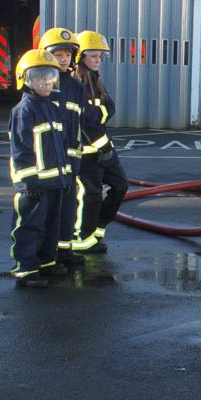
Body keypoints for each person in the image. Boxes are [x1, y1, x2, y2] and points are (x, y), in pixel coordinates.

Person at [8, 49, 73, 288]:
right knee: (29, 226)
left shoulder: (52, 107)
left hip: (55, 182)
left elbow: (60, 146)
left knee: (51, 224)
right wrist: (29, 182)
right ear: (27, 80)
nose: (46, 81)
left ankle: (46, 261)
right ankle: (25, 268)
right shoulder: (24, 110)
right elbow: (22, 150)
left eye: (49, 76)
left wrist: (65, 177)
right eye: (40, 77)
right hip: (35, 185)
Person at [73, 31, 128, 254]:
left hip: (104, 150)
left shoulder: (95, 81)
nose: (98, 60)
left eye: (100, 56)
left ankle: (98, 229)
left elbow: (109, 108)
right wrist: (99, 117)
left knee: (120, 186)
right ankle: (81, 238)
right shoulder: (76, 85)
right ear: (81, 57)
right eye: (94, 56)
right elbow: (86, 120)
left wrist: (99, 114)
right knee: (90, 194)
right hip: (86, 153)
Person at [39, 27, 87, 270]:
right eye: (58, 54)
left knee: (69, 206)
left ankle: (65, 250)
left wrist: (76, 158)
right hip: (50, 161)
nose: (64, 58)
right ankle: (48, 256)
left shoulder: (76, 87)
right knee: (50, 209)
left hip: (71, 158)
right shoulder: (43, 84)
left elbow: (77, 124)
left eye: (68, 53)